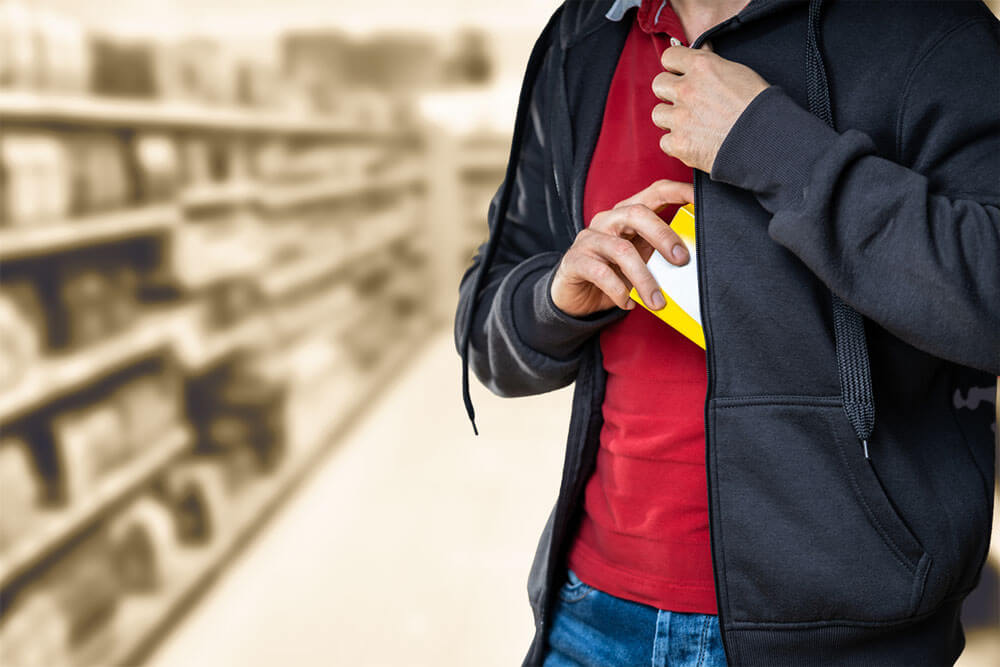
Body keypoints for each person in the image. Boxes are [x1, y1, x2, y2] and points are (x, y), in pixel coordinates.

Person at [454, 0, 1000, 665]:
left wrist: (771, 143)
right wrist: (554, 300)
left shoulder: (934, 30)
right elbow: (485, 336)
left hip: (840, 635)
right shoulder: (585, 38)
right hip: (591, 613)